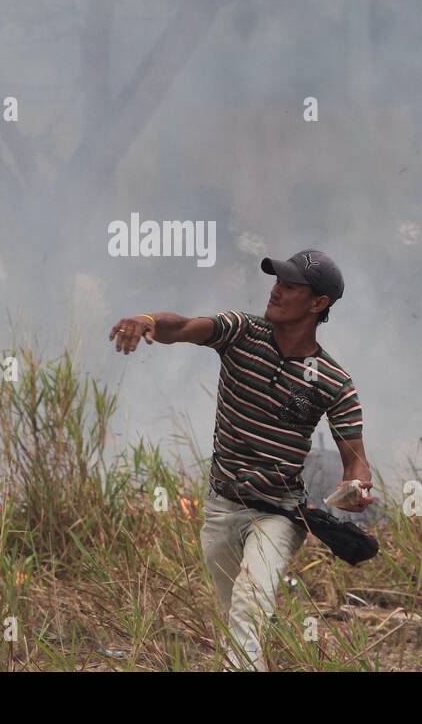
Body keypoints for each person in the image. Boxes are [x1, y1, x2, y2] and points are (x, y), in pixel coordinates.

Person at [109, 249, 374, 670]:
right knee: (239, 614)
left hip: (278, 514)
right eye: (277, 282)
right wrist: (147, 321)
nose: (276, 291)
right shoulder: (240, 331)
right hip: (221, 505)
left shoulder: (333, 382)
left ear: (318, 303)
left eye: (290, 286)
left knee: (250, 600)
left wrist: (356, 489)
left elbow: (355, 459)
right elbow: (182, 328)